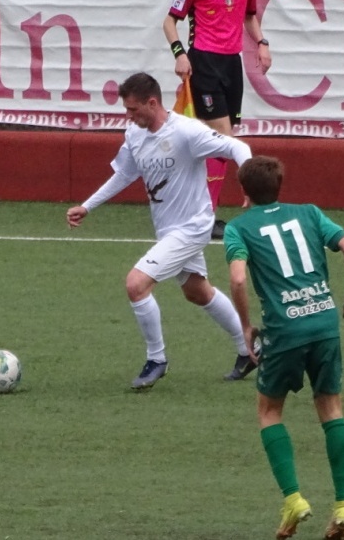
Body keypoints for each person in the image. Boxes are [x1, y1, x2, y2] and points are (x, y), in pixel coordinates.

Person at [66, 72, 257, 390]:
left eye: (133, 109)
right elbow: (124, 174)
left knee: (136, 284)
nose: (128, 116)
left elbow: (238, 147)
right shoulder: (134, 134)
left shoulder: (187, 131)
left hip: (193, 226)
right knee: (197, 292)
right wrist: (88, 206)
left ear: (152, 103)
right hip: (167, 229)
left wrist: (248, 183)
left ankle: (157, 359)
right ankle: (249, 348)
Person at [224, 156, 344, 540]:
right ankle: (343, 505)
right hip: (324, 325)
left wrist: (245, 325)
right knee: (331, 408)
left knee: (269, 411)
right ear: (280, 186)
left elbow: (238, 280)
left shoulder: (238, 228)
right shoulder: (309, 213)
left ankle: (293, 499)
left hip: (284, 331)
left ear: (244, 191)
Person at [163, 0, 271, 241]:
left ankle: (196, 210)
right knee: (223, 139)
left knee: (220, 144)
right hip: (204, 63)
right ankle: (207, 218)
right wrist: (180, 54)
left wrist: (262, 43)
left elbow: (249, 16)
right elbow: (169, 22)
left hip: (231, 64)